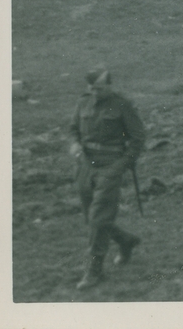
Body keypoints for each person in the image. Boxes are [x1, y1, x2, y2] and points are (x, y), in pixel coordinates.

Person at [69, 68, 146, 289]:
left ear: (109, 87)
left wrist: (121, 166)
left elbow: (138, 137)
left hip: (110, 165)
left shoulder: (122, 105)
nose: (94, 93)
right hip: (85, 164)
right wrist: (74, 144)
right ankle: (125, 240)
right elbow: (73, 129)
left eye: (99, 89)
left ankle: (94, 271)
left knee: (99, 219)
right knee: (91, 218)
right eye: (91, 88)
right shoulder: (83, 102)